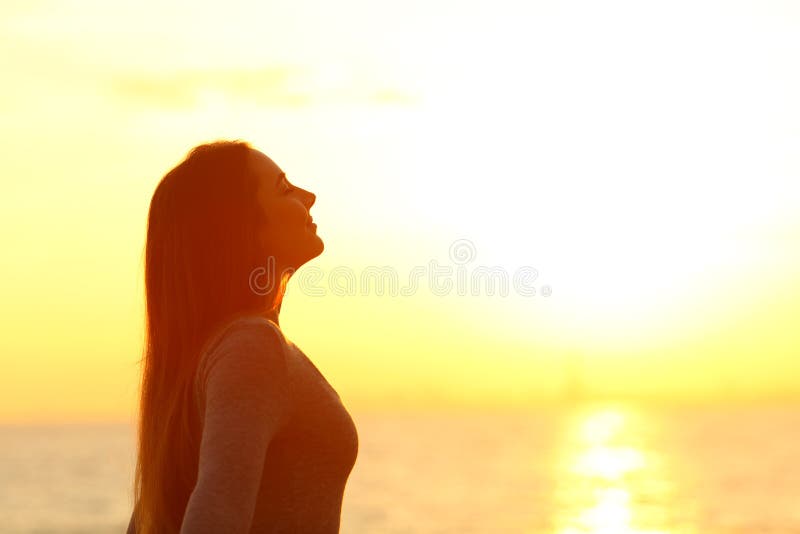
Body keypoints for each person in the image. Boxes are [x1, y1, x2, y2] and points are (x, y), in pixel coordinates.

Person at [126, 140, 359, 533]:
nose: (310, 197)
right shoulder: (251, 347)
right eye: (285, 188)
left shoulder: (224, 350)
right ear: (243, 225)